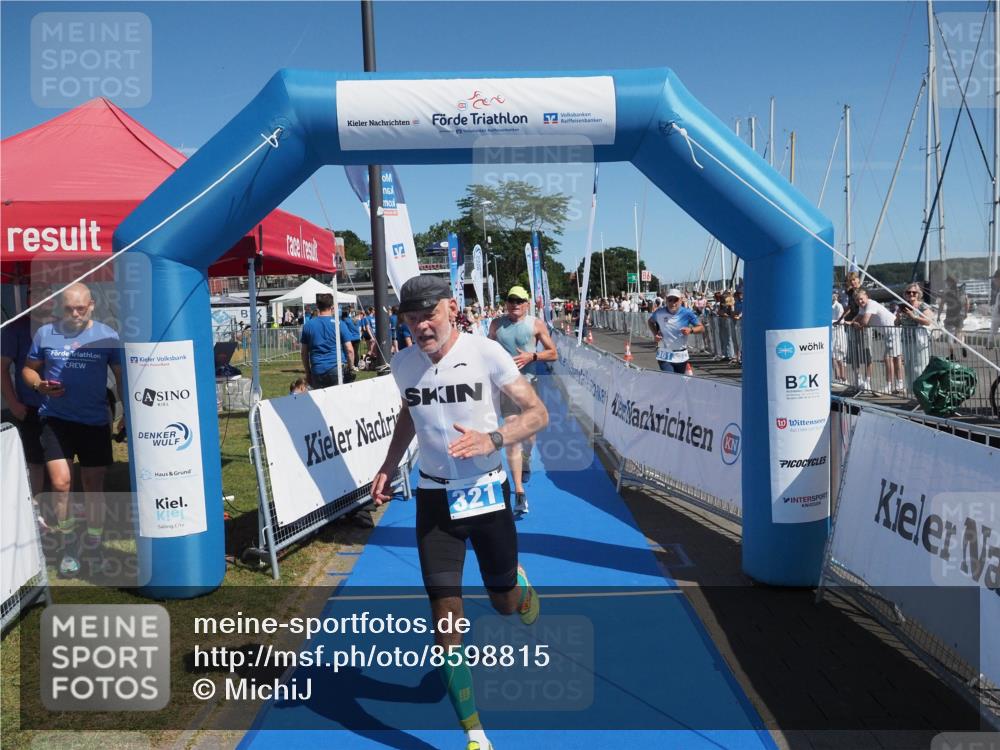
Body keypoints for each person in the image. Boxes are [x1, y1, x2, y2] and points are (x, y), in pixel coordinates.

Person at [370, 275, 546, 750]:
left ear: (451, 308)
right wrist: (389, 465)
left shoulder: (487, 353)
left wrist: (492, 439)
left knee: (504, 605)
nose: (422, 326)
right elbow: (410, 411)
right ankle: (475, 735)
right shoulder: (402, 362)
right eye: (411, 319)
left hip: (486, 492)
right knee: (445, 617)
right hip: (433, 498)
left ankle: (518, 586)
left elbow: (536, 414)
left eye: (429, 315)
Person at [22, 283, 122, 578]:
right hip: (56, 420)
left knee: (94, 486)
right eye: (69, 309)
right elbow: (29, 369)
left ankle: (93, 544)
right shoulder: (46, 333)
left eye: (81, 308)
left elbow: (120, 374)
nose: (75, 313)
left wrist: (126, 412)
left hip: (94, 421)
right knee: (61, 484)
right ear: (59, 308)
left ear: (92, 305)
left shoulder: (107, 335)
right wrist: (39, 385)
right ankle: (67, 546)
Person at [488, 285, 557, 518]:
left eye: (519, 301)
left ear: (527, 303)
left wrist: (532, 356)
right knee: (512, 436)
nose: (515, 304)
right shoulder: (496, 325)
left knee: (528, 437)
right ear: (506, 302)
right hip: (507, 388)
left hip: (529, 384)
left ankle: (527, 458)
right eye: (511, 300)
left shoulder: (536, 324)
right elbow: (487, 351)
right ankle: (518, 491)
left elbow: (553, 353)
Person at [1, 307, 46, 499]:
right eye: (34, 292)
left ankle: (62, 510)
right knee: (35, 461)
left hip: (62, 407)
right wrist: (12, 403)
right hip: (31, 406)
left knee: (60, 461)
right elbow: (2, 368)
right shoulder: (16, 328)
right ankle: (36, 509)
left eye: (47, 291)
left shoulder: (64, 324)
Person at [853, 289, 900, 393]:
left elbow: (864, 321)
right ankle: (899, 384)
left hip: (893, 330)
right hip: (889, 332)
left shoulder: (871, 304)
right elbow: (858, 318)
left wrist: (857, 326)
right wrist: (852, 323)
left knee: (888, 358)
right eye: (857, 300)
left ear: (867, 297)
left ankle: (889, 386)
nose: (860, 302)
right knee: (896, 358)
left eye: (861, 299)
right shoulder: (863, 307)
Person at [648, 288, 704, 374]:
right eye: (670, 300)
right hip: (664, 353)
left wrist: (691, 330)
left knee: (678, 381)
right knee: (670, 379)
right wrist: (655, 334)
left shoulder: (687, 313)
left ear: (681, 300)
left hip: (680, 354)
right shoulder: (659, 312)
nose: (673, 303)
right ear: (666, 300)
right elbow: (650, 321)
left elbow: (701, 328)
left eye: (676, 300)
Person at [300, 293, 345, 388]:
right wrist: (350, 366)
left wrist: (308, 372)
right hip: (336, 367)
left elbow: (304, 352)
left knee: (320, 400)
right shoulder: (339, 323)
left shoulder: (308, 325)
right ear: (332, 307)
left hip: (317, 369)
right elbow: (349, 350)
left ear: (317, 306)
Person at [897, 283, 934, 393]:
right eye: (909, 292)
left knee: (920, 367)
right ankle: (911, 391)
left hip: (919, 341)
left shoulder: (923, 306)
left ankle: (922, 393)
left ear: (918, 294)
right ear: (905, 294)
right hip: (906, 339)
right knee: (908, 367)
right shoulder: (903, 306)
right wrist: (898, 318)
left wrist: (913, 316)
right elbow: (896, 323)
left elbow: (928, 321)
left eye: (914, 292)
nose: (911, 294)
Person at [831, 290, 847, 384]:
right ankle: (838, 378)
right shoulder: (829, 306)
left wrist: (831, 322)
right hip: (832, 334)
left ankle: (844, 378)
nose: (833, 296)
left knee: (841, 356)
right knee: (833, 356)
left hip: (839, 334)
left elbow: (840, 321)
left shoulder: (839, 306)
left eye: (834, 294)